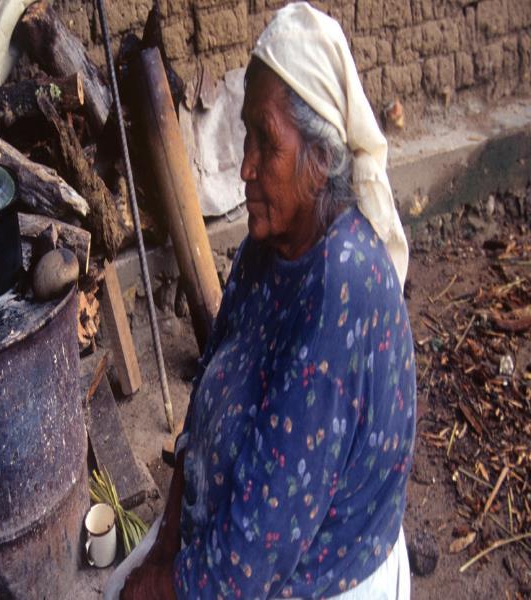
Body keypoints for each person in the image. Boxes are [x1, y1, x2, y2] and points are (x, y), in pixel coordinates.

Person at [108, 3, 416, 598]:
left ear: (321, 160)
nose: (245, 165)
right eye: (246, 132)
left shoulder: (341, 291)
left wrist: (161, 583)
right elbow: (202, 406)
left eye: (266, 143)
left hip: (314, 581)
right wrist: (169, 538)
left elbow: (246, 568)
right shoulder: (269, 241)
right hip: (224, 544)